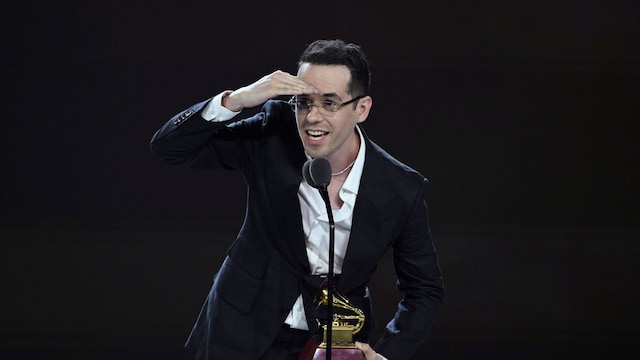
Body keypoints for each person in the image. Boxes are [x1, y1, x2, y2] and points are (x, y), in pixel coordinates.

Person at [150, 39, 444, 360]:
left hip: (333, 345)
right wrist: (237, 99)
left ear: (362, 108)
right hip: (238, 332)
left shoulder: (402, 187)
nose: (312, 117)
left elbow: (424, 291)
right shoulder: (274, 133)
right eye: (303, 102)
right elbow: (170, 147)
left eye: (329, 103)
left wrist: (387, 355)